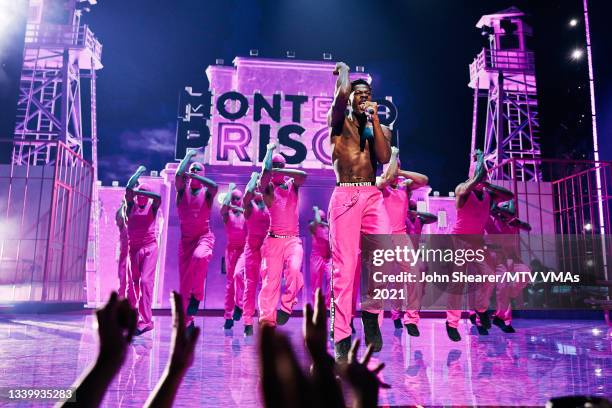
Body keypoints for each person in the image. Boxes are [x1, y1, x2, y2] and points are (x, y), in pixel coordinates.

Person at [327, 61, 393, 361]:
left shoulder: (378, 126)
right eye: (359, 93)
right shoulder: (338, 121)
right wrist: (344, 74)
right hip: (345, 195)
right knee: (346, 269)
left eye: (368, 92)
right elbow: (340, 95)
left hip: (372, 195)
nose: (363, 96)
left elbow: (382, 156)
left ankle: (370, 317)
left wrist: (376, 121)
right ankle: (341, 333)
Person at [446, 150, 514, 341]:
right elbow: (473, 181)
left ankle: (481, 309)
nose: (482, 177)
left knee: (490, 277)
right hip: (458, 240)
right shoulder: (462, 190)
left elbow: (510, 195)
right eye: (479, 174)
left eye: (483, 174)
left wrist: (486, 182)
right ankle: (452, 323)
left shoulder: (488, 195)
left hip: (476, 241)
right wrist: (480, 164)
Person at [376, 151, 429, 336]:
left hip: (400, 236)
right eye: (391, 164)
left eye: (396, 164)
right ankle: (375, 324)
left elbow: (424, 180)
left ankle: (412, 318)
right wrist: (391, 157)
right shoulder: (378, 183)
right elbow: (385, 179)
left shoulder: (404, 186)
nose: (393, 167)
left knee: (414, 273)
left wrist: (401, 171)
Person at [258, 143, 307, 327]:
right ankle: (266, 320)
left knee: (294, 270)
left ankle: (287, 306)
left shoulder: (291, 185)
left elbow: (303, 176)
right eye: (274, 166)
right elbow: (265, 174)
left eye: (281, 166)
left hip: (293, 240)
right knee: (270, 281)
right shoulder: (268, 188)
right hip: (273, 241)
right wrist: (269, 152)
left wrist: (283, 169)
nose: (277, 169)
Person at [175, 148, 218, 328]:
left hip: (204, 236)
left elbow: (213, 186)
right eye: (190, 171)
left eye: (196, 171)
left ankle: (197, 296)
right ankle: (187, 322)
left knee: (199, 257)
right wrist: (187, 157)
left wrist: (195, 176)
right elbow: (178, 174)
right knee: (184, 285)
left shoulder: (207, 193)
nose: (192, 173)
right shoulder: (181, 191)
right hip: (186, 241)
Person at [485, 200, 532, 333]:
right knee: (494, 287)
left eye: (509, 215)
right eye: (504, 214)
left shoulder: (512, 223)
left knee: (525, 273)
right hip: (489, 258)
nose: (506, 217)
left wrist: (519, 223)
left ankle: (504, 310)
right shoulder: (490, 221)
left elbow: (527, 227)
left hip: (507, 259)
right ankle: (497, 318)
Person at [125, 166, 161, 336]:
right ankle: (134, 316)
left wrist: (146, 193)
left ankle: (146, 321)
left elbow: (158, 198)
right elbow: (128, 188)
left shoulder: (152, 207)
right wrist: (138, 174)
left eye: (145, 194)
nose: (141, 196)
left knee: (146, 282)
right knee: (135, 284)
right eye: (139, 193)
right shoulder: (130, 206)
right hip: (135, 249)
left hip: (150, 248)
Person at [242, 172, 271, 336]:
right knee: (250, 285)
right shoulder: (249, 206)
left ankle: (265, 319)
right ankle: (247, 321)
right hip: (252, 249)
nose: (258, 190)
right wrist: (253, 178)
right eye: (257, 188)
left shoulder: (269, 205)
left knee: (267, 285)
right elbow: (247, 194)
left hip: (267, 248)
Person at [221, 184, 247, 330]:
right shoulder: (227, 214)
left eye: (238, 198)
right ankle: (228, 316)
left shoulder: (246, 213)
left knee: (240, 277)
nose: (236, 201)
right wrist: (229, 190)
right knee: (230, 284)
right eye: (233, 199)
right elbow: (224, 207)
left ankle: (239, 306)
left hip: (244, 251)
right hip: (231, 251)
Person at [308, 206, 331, 306]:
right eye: (319, 218)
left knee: (332, 279)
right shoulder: (313, 226)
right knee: (316, 284)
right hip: (316, 258)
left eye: (323, 218)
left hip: (327, 258)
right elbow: (317, 221)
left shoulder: (328, 228)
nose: (321, 219)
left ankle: (327, 304)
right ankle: (317, 305)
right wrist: (317, 209)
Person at [115, 199, 129, 299]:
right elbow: (119, 218)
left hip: (131, 253)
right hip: (124, 253)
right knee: (123, 277)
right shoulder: (123, 227)